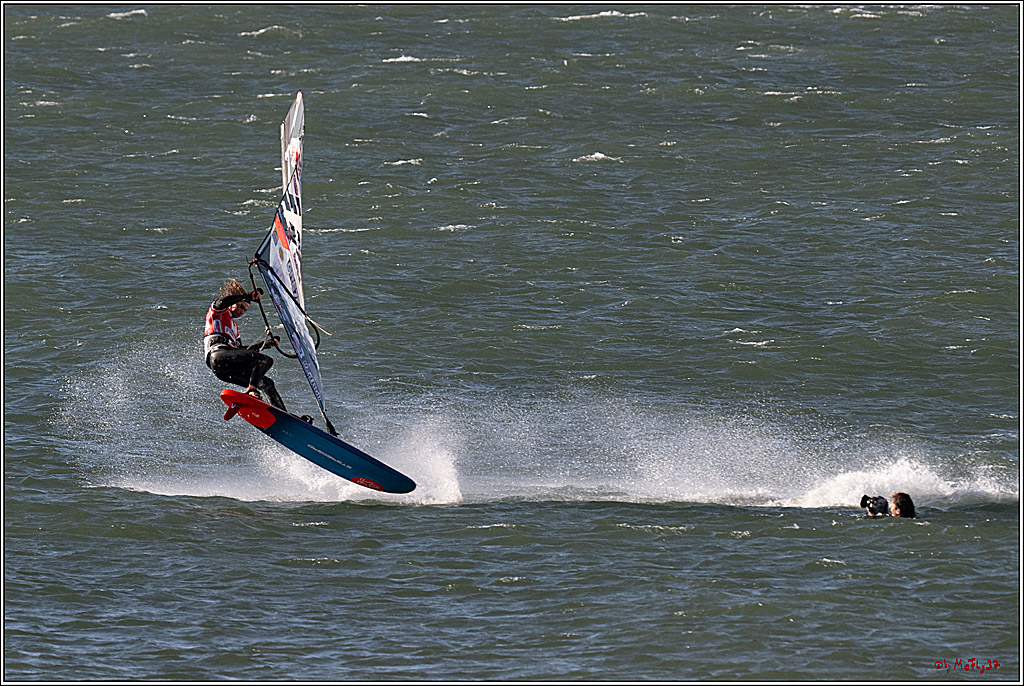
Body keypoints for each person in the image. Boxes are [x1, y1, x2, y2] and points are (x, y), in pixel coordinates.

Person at [204, 278, 286, 410]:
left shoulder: (234, 328)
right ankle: (251, 390)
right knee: (265, 360)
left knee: (266, 383)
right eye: (241, 306)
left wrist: (265, 344)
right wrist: (247, 296)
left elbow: (242, 350)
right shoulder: (219, 311)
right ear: (233, 304)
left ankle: (282, 414)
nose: (242, 311)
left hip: (224, 370)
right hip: (218, 356)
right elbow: (222, 302)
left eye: (245, 310)